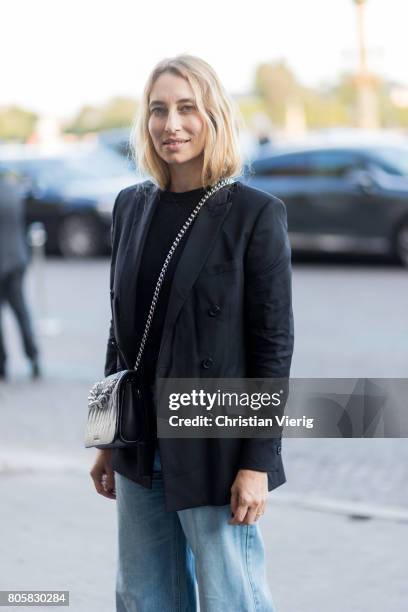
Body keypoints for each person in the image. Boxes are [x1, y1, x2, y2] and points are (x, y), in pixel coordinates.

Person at [90, 54, 294, 612]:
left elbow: (272, 346)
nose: (170, 125)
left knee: (232, 596)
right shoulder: (131, 206)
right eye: (158, 110)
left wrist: (256, 462)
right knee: (142, 596)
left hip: (215, 440)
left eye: (187, 108)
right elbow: (119, 331)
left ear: (214, 117)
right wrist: (106, 436)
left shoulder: (254, 213)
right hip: (138, 440)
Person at [0, 169, 40, 380]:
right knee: (21, 312)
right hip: (16, 258)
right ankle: (33, 357)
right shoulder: (12, 189)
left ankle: (2, 363)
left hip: (6, 261)